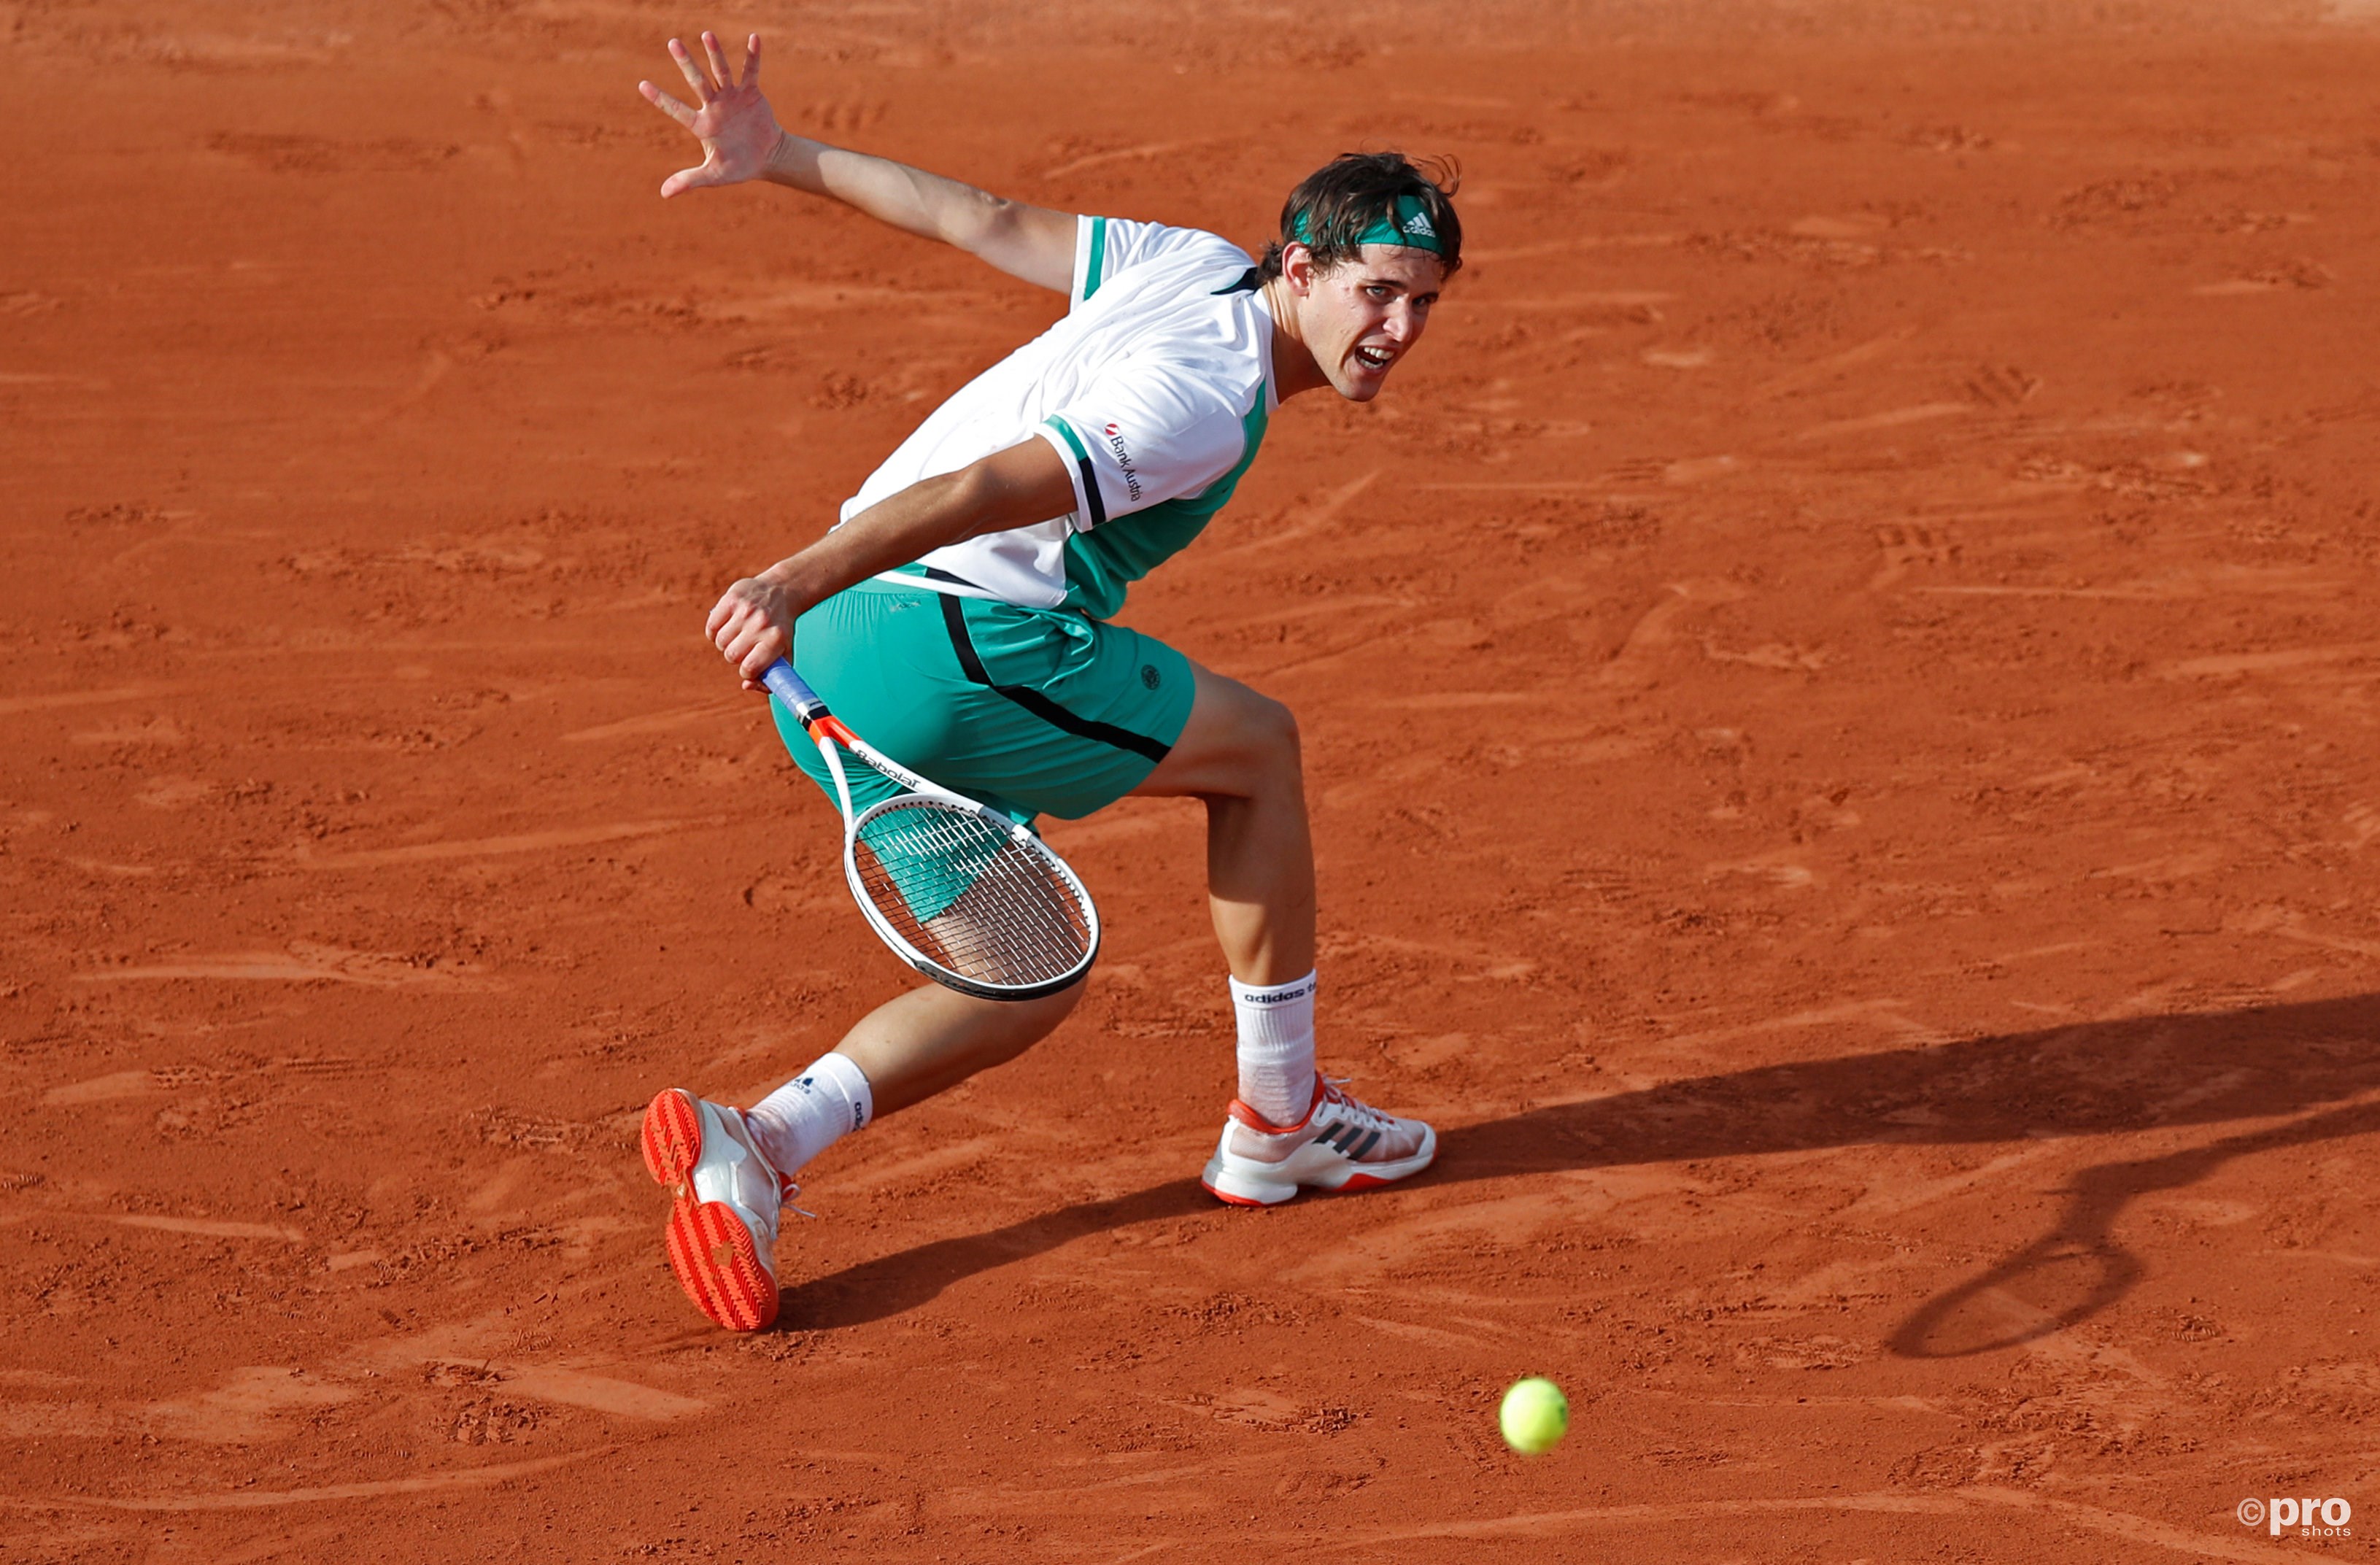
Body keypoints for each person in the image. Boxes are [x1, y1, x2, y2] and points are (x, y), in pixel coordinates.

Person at [632, 31, 1462, 1332]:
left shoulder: (1185, 261)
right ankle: (1278, 1118)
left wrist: (782, 156)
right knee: (1256, 750)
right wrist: (790, 575)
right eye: (1376, 293)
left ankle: (756, 1144)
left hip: (841, 653)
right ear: (1299, 269)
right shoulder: (1201, 401)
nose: (1399, 329)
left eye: (1423, 302)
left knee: (1017, 974)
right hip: (941, 638)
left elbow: (987, 216)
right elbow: (983, 490)